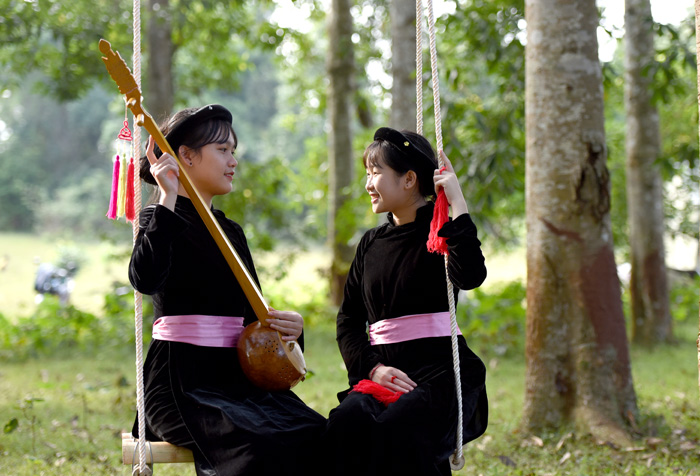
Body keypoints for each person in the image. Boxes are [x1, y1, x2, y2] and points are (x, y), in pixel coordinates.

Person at [128, 104, 326, 476]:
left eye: (233, 151)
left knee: (316, 433)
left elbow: (253, 319)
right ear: (186, 156)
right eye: (222, 150)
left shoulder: (231, 232)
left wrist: (291, 328)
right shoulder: (160, 218)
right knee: (256, 446)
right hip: (180, 383)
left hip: (237, 381)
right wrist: (167, 196)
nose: (233, 161)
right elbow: (145, 280)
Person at [326, 127, 488, 476]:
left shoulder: (442, 231)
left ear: (409, 179)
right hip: (385, 372)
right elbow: (348, 321)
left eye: (375, 173)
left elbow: (471, 276)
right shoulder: (371, 244)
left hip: (439, 374)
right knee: (346, 422)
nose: (368, 184)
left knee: (399, 430)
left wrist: (458, 205)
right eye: (367, 174)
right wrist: (374, 369)